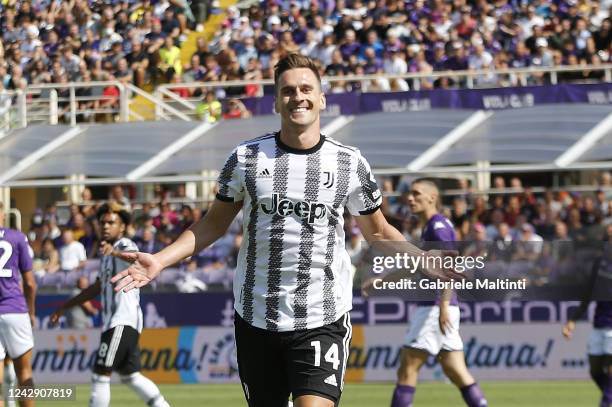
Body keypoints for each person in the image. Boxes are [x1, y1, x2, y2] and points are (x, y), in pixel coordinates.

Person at [111, 54, 462, 407]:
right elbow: (212, 224)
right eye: (289, 91)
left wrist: (421, 259)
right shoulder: (246, 158)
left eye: (307, 89)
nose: (299, 97)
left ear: (322, 98)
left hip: (320, 317)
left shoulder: (349, 163)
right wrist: (159, 259)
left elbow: (379, 232)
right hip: (256, 318)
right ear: (277, 100)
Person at [50, 204, 170, 407]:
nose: (105, 226)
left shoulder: (123, 244)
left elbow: (134, 256)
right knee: (130, 377)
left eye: (111, 222)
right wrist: (66, 306)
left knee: (100, 375)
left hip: (121, 321)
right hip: (120, 323)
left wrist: (114, 253)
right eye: (103, 222)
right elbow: (97, 287)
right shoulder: (107, 253)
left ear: (122, 227)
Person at [391, 180, 488, 407]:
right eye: (409, 194)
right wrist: (382, 281)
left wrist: (443, 305)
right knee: (456, 371)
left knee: (407, 369)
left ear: (432, 198)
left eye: (416, 194)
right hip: (441, 306)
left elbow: (451, 267)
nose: (410, 198)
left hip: (435, 307)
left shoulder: (438, 227)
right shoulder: (430, 227)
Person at [563, 250, 612, 407]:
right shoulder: (600, 264)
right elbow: (588, 293)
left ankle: (606, 403)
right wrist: (572, 320)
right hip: (599, 324)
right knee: (595, 371)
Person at [0, 202, 36, 407]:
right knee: (24, 373)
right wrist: (31, 312)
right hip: (15, 309)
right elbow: (30, 283)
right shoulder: (17, 237)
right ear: (3, 214)